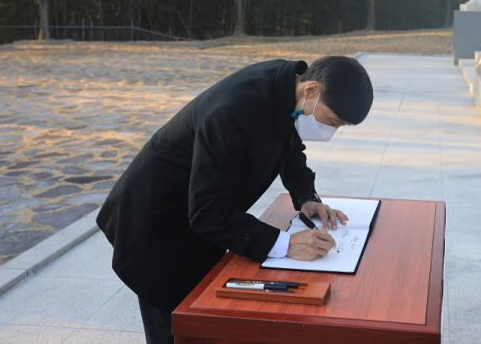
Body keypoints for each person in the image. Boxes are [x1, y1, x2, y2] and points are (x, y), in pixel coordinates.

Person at [95, 55, 374, 343]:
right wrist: (286, 244)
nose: (331, 131)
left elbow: (288, 142)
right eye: (333, 121)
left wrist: (306, 196)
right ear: (312, 90)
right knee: (177, 325)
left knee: (207, 317)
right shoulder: (234, 110)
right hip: (154, 223)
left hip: (196, 213)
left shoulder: (287, 89)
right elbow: (207, 212)